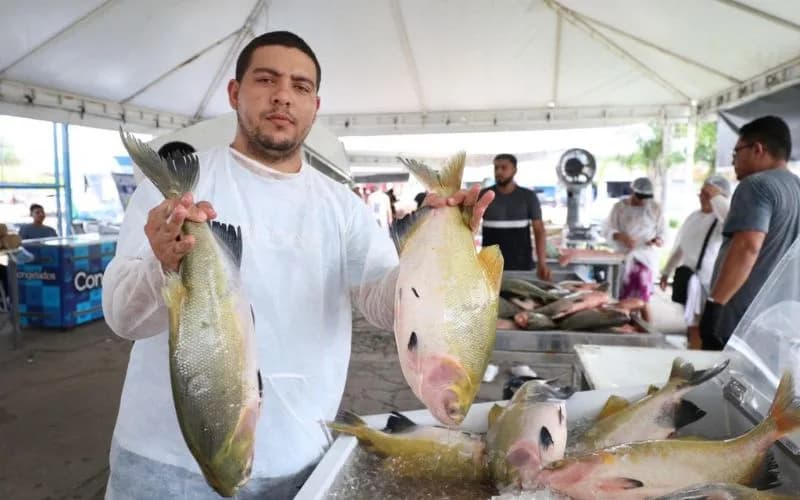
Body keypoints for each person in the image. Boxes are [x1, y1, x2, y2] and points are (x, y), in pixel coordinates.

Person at [101, 30, 493, 499]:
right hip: (166, 463)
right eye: (266, 79)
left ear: (315, 105)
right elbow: (123, 318)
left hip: (299, 460)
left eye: (300, 86)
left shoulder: (342, 206)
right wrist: (160, 264)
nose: (283, 96)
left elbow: (382, 303)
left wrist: (439, 253)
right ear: (234, 92)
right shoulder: (173, 192)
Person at [701, 115, 800, 350]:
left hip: (744, 322)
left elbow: (747, 247)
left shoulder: (757, 185)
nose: (733, 160)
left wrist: (715, 306)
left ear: (758, 149)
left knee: (724, 374)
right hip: (784, 323)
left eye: (736, 152)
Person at [659, 175, 731, 349]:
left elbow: (729, 217)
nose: (703, 197)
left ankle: (698, 352)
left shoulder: (721, 219)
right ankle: (693, 349)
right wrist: (666, 271)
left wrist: (716, 197)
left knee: (705, 324)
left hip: (707, 281)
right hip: (689, 276)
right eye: (702, 193)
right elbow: (680, 247)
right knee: (692, 322)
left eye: (708, 194)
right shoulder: (693, 217)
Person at [604, 177, 665, 323]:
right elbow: (607, 229)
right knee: (623, 295)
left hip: (645, 258)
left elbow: (663, 233)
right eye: (639, 197)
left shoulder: (655, 209)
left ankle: (647, 328)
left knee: (642, 297)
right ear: (632, 192)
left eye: (645, 198)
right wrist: (620, 236)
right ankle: (624, 323)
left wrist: (657, 240)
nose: (642, 201)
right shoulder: (619, 208)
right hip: (623, 256)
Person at [480, 153, 551, 279]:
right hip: (489, 267)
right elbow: (467, 226)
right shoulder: (484, 195)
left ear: (514, 170)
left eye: (504, 167)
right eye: (496, 168)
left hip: (522, 265)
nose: (499, 172)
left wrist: (542, 263)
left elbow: (539, 230)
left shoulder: (528, 196)